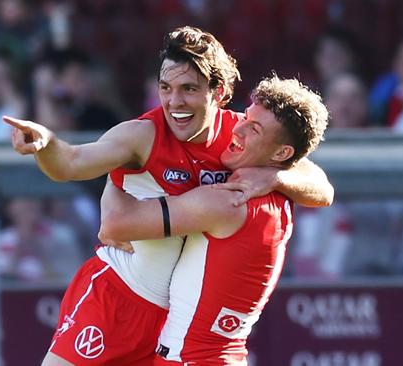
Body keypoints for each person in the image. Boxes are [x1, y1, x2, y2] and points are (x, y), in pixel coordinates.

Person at [5, 26, 333, 366]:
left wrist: (275, 174)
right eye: (166, 88)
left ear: (218, 93)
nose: (174, 102)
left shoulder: (241, 138)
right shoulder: (142, 135)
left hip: (172, 323)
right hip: (117, 299)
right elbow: (72, 163)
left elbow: (322, 188)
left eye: (188, 89)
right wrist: (46, 144)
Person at [99, 75, 329, 365]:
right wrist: (276, 175)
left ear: (282, 153)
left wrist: (123, 165)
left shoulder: (229, 200)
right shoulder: (279, 193)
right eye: (245, 117)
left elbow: (115, 225)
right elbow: (322, 185)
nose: (239, 128)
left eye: (254, 129)